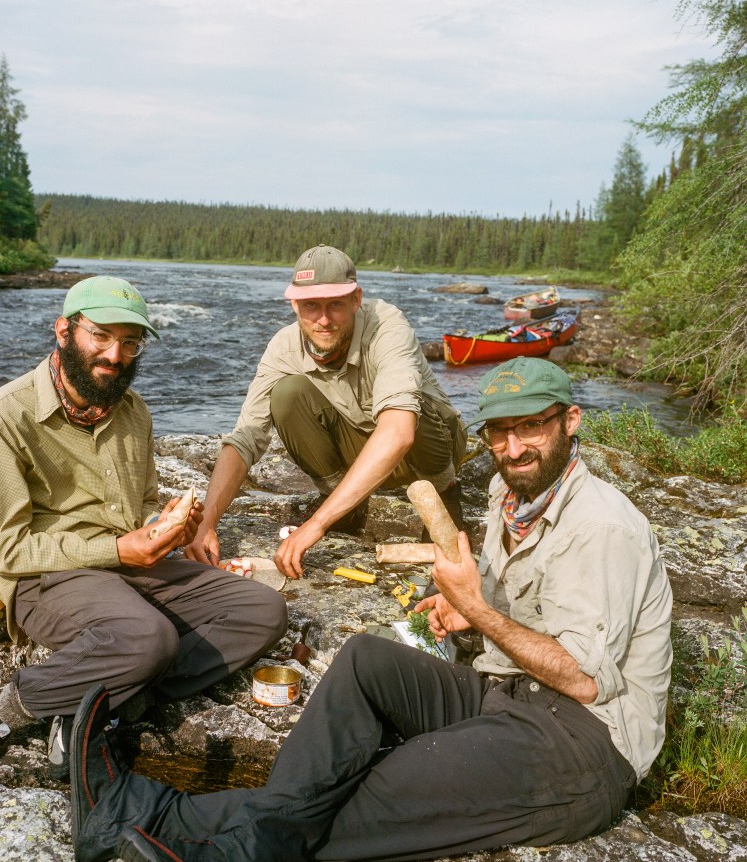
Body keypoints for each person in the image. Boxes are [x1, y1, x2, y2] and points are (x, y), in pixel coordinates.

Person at [67, 355, 673, 862]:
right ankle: (140, 817)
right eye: (499, 430)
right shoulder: (511, 492)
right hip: (508, 691)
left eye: (532, 427)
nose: (513, 448)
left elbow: (585, 679)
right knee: (364, 660)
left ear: (570, 420)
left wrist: (478, 609)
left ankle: (166, 828)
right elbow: (520, 601)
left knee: (363, 791)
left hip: (583, 744)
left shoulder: (602, 527)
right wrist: (471, 606)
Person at [0, 275, 288, 793]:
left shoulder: (133, 412)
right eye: (101, 336)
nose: (115, 355)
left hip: (129, 567)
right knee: (150, 638)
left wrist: (165, 528)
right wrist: (118, 549)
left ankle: (97, 701)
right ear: (63, 331)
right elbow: (7, 551)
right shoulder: (3, 419)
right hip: (47, 576)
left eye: (130, 342)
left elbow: (140, 507)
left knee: (263, 610)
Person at [185, 244, 468, 579]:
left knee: (410, 407)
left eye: (335, 304)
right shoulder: (284, 347)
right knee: (287, 394)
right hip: (364, 444)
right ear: (294, 305)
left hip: (430, 447)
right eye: (311, 305)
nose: (323, 319)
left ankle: (445, 498)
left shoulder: (387, 325)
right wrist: (205, 524)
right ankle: (346, 506)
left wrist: (317, 523)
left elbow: (399, 432)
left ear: (356, 299)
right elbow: (245, 439)